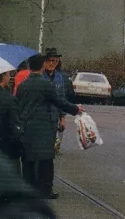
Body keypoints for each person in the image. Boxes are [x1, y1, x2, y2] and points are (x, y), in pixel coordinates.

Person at [16, 54, 82, 201]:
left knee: (28, 160)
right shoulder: (45, 85)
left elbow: (18, 105)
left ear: (29, 67)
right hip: (44, 128)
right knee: (46, 160)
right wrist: (76, 109)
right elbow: (59, 101)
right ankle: (45, 191)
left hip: (26, 127)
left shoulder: (22, 86)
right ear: (42, 66)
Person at [42, 51, 74, 154]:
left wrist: (62, 118)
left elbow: (61, 98)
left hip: (54, 115)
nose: (52, 63)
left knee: (51, 143)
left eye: (55, 61)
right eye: (50, 61)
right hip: (41, 114)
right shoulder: (40, 76)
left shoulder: (59, 77)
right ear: (45, 62)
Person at [0, 62, 21, 166]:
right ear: (3, 75)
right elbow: (14, 127)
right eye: (8, 74)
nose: (10, 77)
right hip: (6, 150)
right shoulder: (9, 99)